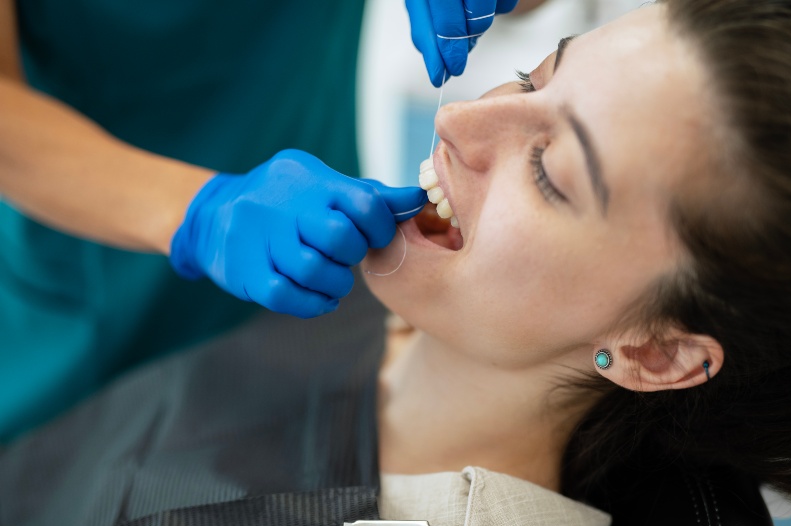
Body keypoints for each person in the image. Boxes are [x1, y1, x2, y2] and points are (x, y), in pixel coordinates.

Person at [2, 0, 791, 526]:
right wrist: (200, 210)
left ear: (654, 355)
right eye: (531, 76)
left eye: (550, 171)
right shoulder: (382, 303)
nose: (454, 120)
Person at [0, 0, 520, 442]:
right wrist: (200, 211)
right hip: (92, 246)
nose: (454, 118)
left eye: (534, 84)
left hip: (315, 214)